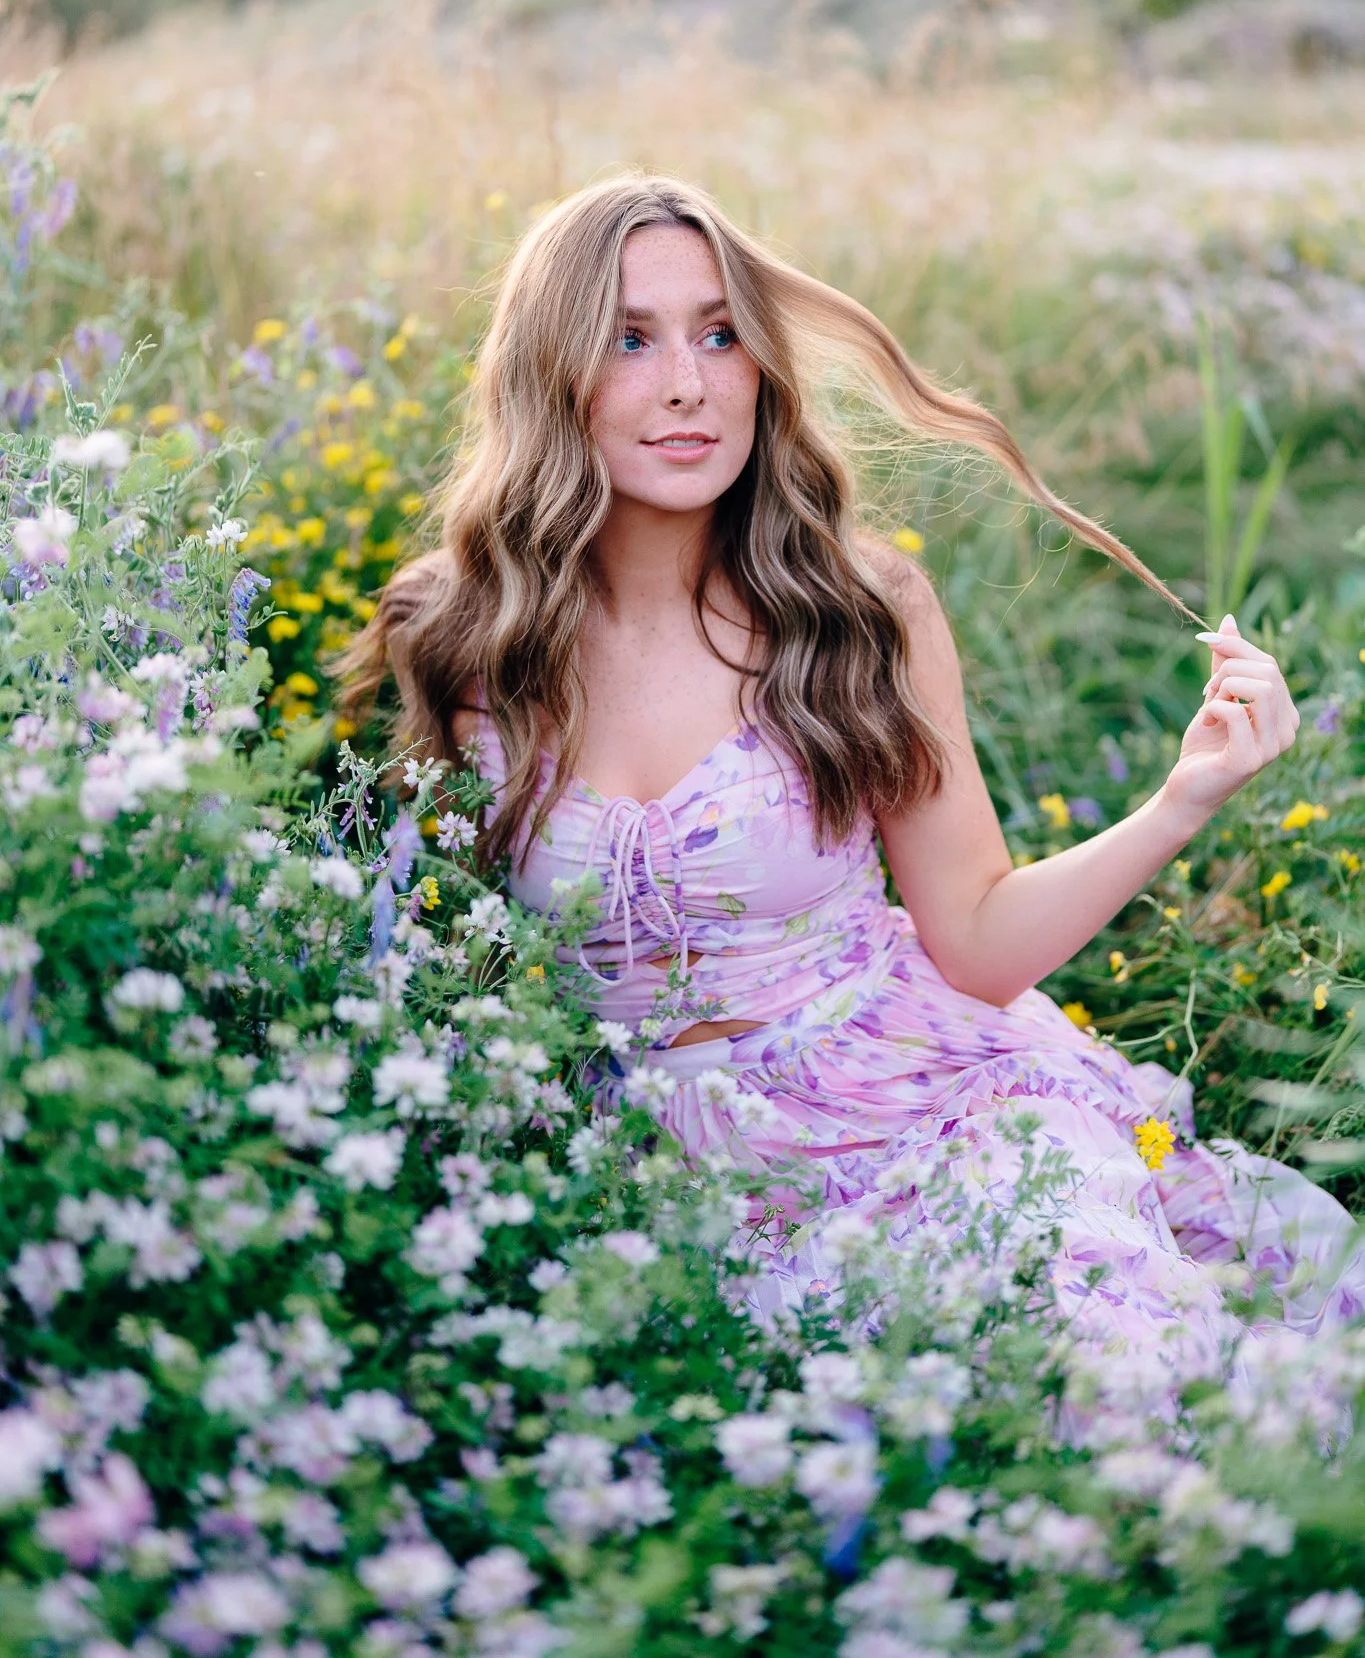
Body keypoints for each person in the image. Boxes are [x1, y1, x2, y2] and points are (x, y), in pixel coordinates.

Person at [335, 173, 1364, 1380]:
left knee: (1094, 1363)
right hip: (640, 1163)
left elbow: (976, 938)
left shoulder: (860, 607)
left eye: (721, 333)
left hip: (918, 1105)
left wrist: (1185, 793)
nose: (688, 383)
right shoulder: (461, 630)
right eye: (630, 338)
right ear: (548, 372)